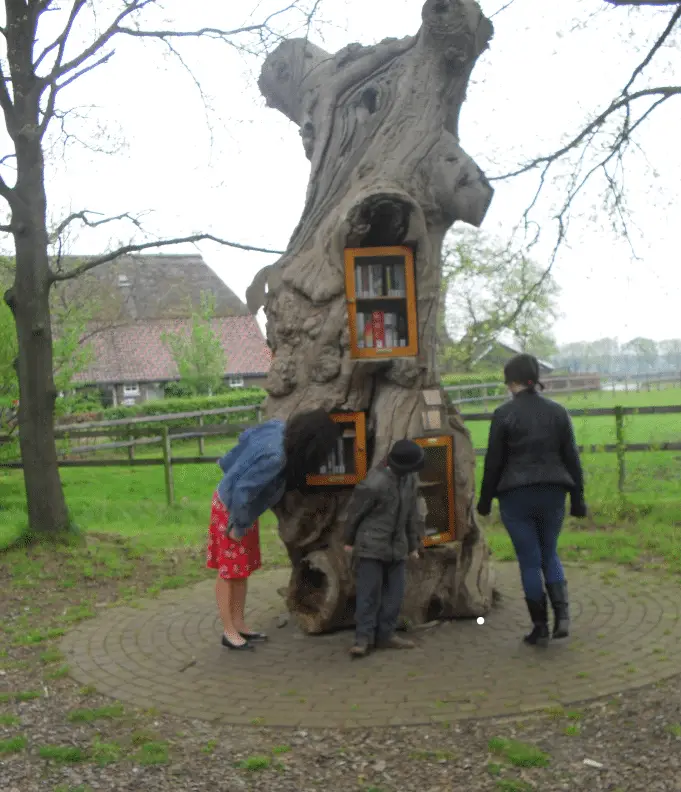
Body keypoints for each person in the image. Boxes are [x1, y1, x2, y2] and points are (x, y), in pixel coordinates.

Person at [207, 408, 340, 651]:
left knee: (241, 569)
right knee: (229, 572)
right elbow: (242, 492)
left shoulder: (277, 427)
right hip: (232, 511)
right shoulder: (276, 457)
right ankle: (228, 631)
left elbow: (246, 436)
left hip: (243, 511)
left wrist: (230, 463)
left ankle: (239, 624)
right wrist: (238, 526)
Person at [477, 354, 587, 647]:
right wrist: (578, 499)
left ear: (512, 382)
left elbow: (494, 463)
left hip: (516, 496)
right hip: (553, 491)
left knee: (529, 561)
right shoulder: (558, 412)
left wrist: (485, 501)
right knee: (549, 553)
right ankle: (563, 618)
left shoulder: (503, 414)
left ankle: (540, 627)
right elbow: (571, 460)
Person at [343, 439, 426, 658]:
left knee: (395, 595)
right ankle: (363, 638)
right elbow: (354, 514)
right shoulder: (373, 484)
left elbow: (410, 515)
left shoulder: (409, 480)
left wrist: (413, 546)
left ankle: (386, 635)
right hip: (371, 546)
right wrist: (349, 542)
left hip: (396, 546)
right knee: (368, 593)